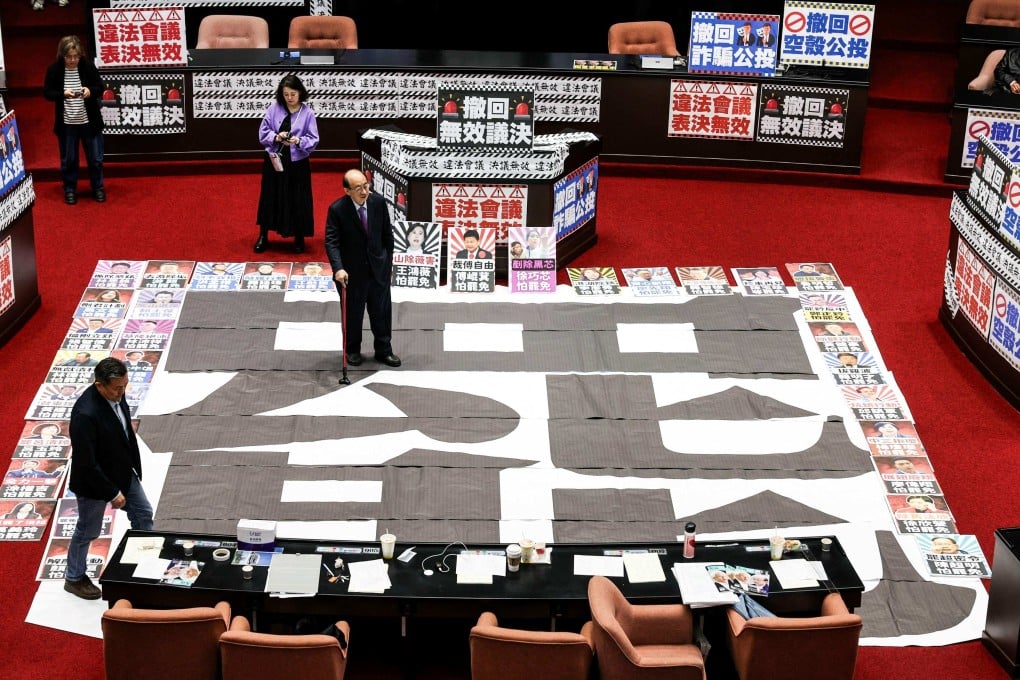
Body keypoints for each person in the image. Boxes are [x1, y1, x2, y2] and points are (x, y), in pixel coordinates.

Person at [66, 357, 153, 599]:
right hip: (94, 483)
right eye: (117, 388)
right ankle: (74, 577)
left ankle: (140, 567)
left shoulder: (117, 392)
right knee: (88, 531)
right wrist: (111, 493)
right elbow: (87, 462)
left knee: (144, 515)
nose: (121, 392)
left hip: (123, 471)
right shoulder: (85, 414)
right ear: (99, 385)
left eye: (124, 386)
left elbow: (124, 431)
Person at [325, 168, 401, 368]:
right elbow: (331, 242)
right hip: (351, 274)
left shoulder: (378, 203)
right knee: (353, 313)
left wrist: (387, 263)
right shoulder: (337, 210)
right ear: (347, 190)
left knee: (382, 312)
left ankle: (384, 350)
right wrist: (338, 268)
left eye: (366, 186)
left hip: (378, 269)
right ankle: (352, 350)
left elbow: (387, 236)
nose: (364, 191)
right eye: (358, 188)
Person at [255, 74, 320, 254]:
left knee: (297, 199)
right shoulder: (274, 108)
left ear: (300, 93)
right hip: (275, 160)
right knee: (270, 197)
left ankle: (299, 236)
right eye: (285, 94)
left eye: (292, 93)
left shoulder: (307, 113)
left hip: (297, 163)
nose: (289, 98)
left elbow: (314, 139)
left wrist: (298, 141)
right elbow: (263, 132)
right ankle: (263, 235)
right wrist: (276, 137)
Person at [43, 35, 105, 205]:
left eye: (75, 56)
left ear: (80, 55)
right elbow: (47, 93)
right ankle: (70, 189)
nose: (72, 60)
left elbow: (100, 87)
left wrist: (89, 91)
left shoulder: (87, 67)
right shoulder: (54, 70)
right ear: (62, 55)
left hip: (89, 122)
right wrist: (62, 94)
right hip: (67, 124)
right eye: (69, 57)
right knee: (69, 159)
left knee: (95, 158)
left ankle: (98, 187)